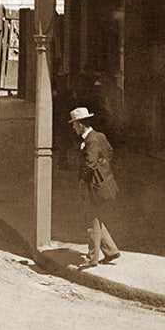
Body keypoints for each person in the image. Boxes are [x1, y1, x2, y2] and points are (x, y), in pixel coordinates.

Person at [69, 106, 121, 268]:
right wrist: (103, 166)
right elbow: (109, 152)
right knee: (96, 218)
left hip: (94, 187)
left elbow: (89, 164)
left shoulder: (90, 141)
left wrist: (82, 181)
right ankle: (111, 251)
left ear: (79, 125)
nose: (73, 128)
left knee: (91, 221)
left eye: (74, 125)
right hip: (105, 185)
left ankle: (91, 258)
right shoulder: (100, 136)